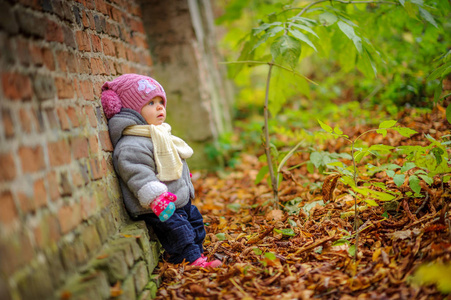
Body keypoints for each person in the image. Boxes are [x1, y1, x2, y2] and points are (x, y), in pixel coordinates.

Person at [101, 73, 221, 268]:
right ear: (133, 110)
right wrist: (155, 196)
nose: (159, 107)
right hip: (156, 205)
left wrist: (181, 176)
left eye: (161, 102)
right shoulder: (131, 144)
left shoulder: (159, 134)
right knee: (179, 230)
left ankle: (195, 254)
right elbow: (137, 172)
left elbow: (170, 160)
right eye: (151, 103)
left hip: (177, 199)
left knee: (196, 223)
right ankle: (190, 259)